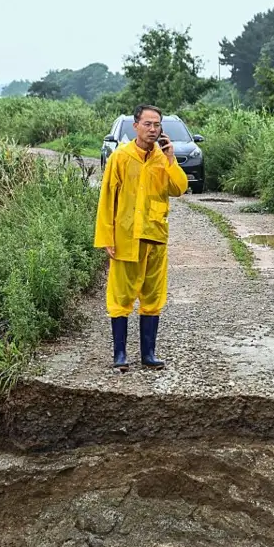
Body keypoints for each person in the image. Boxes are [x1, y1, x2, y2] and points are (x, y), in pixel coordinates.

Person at [94, 104, 188, 372]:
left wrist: (171, 161)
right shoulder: (121, 158)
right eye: (147, 124)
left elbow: (179, 189)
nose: (152, 129)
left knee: (153, 296)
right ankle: (120, 355)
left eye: (157, 124)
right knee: (121, 296)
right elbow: (106, 199)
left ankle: (148, 354)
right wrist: (106, 237)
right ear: (135, 126)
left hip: (156, 237)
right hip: (125, 238)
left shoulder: (163, 158)